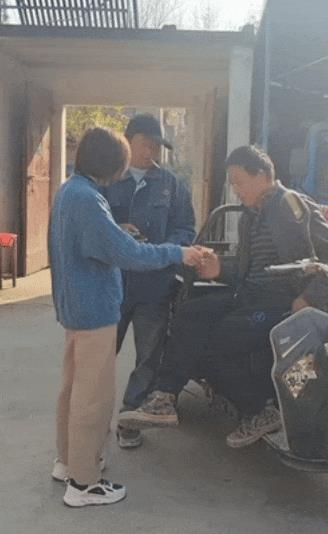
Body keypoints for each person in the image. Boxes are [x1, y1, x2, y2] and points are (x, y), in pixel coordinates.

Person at [117, 145, 328, 449]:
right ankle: (164, 397)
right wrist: (219, 269)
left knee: (214, 343)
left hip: (281, 302)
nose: (236, 190)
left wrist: (308, 298)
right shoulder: (250, 216)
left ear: (262, 175)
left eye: (239, 181)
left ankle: (259, 411)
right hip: (249, 296)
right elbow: (247, 268)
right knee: (189, 313)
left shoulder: (292, 205)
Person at [48, 126, 205, 507]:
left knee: (74, 390)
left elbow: (95, 242)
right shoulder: (89, 199)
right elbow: (128, 254)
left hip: (75, 308)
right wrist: (178, 253)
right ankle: (84, 483)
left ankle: (68, 461)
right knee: (94, 398)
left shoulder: (71, 191)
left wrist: (116, 232)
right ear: (110, 162)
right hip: (95, 311)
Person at [106, 113, 196, 449]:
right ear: (128, 140)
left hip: (155, 285)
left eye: (157, 146)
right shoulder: (107, 180)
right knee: (101, 354)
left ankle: (130, 418)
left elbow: (185, 228)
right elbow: (93, 225)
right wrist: (118, 231)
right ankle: (94, 417)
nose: (152, 151)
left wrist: (163, 250)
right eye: (146, 144)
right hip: (112, 284)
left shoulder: (171, 184)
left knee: (148, 355)